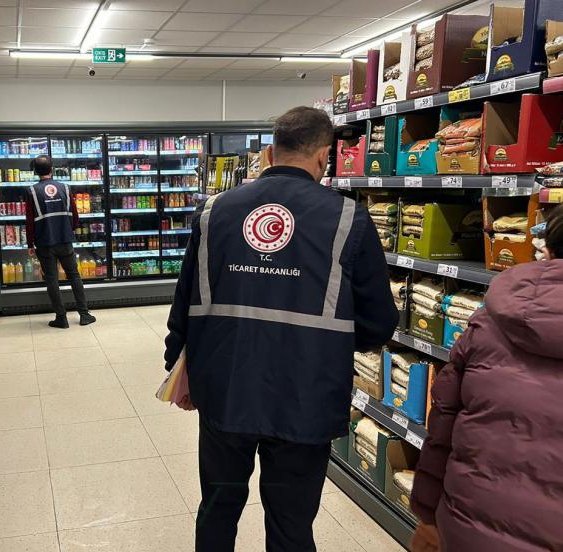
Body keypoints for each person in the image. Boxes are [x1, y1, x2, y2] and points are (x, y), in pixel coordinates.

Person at [163, 106, 399, 551]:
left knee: (217, 507)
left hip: (225, 387)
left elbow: (185, 299)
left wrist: (178, 364)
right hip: (305, 394)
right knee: (291, 524)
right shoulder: (348, 219)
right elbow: (379, 323)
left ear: (270, 152)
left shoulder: (214, 211)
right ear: (324, 156)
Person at [410, 204, 563, 552]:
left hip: (467, 520)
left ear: (549, 250)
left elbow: (443, 425)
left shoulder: (488, 322)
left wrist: (427, 513)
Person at [25, 155, 95, 328]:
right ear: (52, 169)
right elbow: (75, 215)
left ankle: (61, 318)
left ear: (35, 171)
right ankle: (84, 314)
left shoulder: (32, 191)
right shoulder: (64, 187)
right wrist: (70, 229)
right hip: (65, 239)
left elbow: (29, 221)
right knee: (74, 275)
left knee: (52, 279)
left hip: (44, 242)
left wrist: (30, 243)